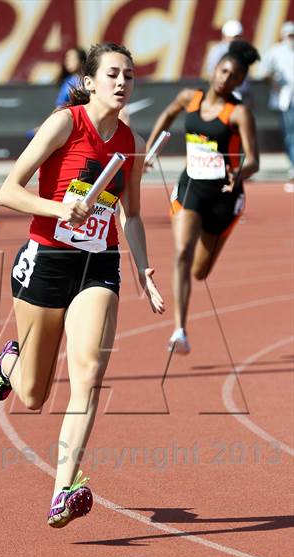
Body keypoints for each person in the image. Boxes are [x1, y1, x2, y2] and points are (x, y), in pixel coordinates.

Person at [0, 43, 165, 528]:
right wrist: (59, 208)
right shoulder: (65, 123)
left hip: (98, 263)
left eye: (129, 75)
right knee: (32, 396)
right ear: (90, 81)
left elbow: (130, 212)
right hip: (47, 259)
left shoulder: (129, 141)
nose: (121, 83)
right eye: (112, 74)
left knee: (88, 374)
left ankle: (63, 489)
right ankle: (13, 358)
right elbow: (8, 191)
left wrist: (145, 267)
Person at [146, 40, 259, 354]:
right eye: (224, 71)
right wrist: (151, 150)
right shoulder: (189, 98)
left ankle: (184, 314)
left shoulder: (238, 113)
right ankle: (179, 331)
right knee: (181, 252)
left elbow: (254, 159)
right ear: (214, 69)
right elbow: (167, 116)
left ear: (240, 82)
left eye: (235, 77)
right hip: (191, 186)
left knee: (199, 270)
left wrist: (241, 172)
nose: (226, 79)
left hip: (224, 196)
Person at [259, 21, 294, 185]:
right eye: (289, 35)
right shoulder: (276, 52)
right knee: (290, 134)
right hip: (286, 99)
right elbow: (265, 72)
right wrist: (276, 85)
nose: (291, 39)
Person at [205, 20, 252, 105]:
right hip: (224, 95)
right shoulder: (217, 51)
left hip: (240, 95)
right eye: (233, 37)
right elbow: (211, 73)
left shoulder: (243, 52)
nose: (235, 39)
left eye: (237, 37)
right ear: (225, 36)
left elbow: (245, 78)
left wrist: (248, 95)